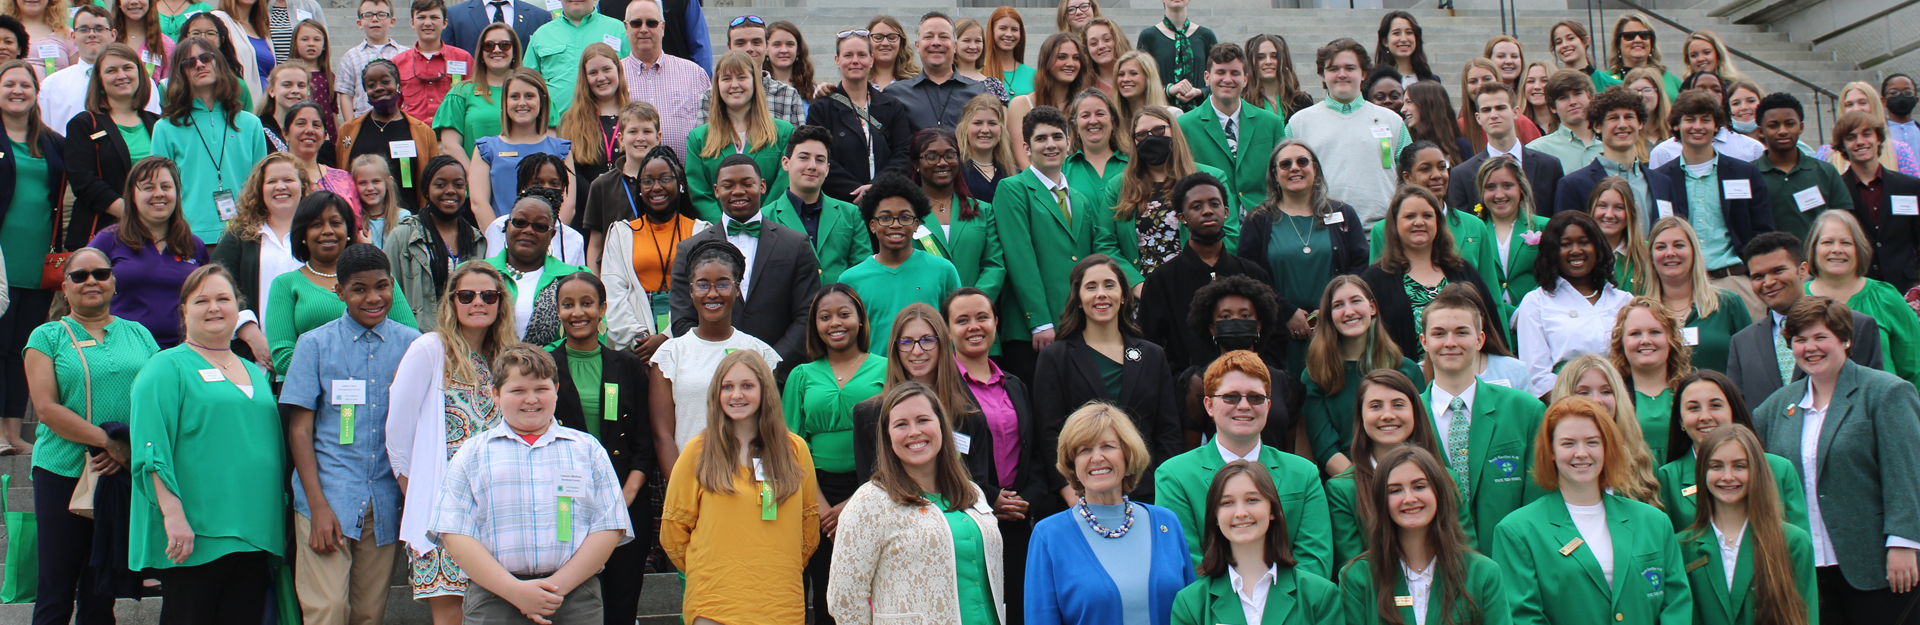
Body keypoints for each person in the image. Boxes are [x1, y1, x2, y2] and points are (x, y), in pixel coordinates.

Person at [129, 265, 286, 624]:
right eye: (202, 300)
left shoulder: (253, 370)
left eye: (223, 299)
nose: (214, 307)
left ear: (238, 308)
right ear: (184, 311)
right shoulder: (165, 367)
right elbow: (151, 451)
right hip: (197, 532)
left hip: (255, 531)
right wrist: (173, 515)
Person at [430, 344, 633, 624]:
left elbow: (609, 526)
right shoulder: (472, 453)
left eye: (541, 389)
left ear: (556, 389)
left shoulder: (588, 450)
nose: (531, 399)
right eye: (518, 391)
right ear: (496, 395)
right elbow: (454, 532)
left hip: (574, 596)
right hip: (494, 596)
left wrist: (553, 589)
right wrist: (516, 591)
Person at [1751, 296, 1920, 625]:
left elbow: (1908, 472)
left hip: (1878, 562)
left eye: (1820, 337)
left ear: (1845, 339)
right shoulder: (1773, 409)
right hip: (1807, 568)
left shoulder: (1886, 392)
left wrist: (1905, 542)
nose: (1810, 348)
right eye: (1800, 340)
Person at [279, 243, 415, 625]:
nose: (373, 297)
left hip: (384, 500)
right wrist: (318, 506)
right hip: (328, 497)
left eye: (382, 286)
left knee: (369, 614)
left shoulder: (412, 345)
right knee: (328, 610)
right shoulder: (315, 345)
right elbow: (301, 430)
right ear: (338, 292)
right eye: (359, 288)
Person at [24, 247, 157, 625]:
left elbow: (157, 398)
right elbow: (47, 409)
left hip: (121, 472)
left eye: (100, 273)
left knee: (102, 590)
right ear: (64, 287)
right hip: (62, 471)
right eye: (79, 276)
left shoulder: (139, 334)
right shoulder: (47, 336)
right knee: (56, 586)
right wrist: (108, 442)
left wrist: (130, 448)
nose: (91, 282)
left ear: (114, 282)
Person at [383, 261, 514, 625]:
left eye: (489, 295)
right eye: (467, 295)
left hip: (497, 512)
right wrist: (419, 493)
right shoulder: (430, 348)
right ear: (451, 302)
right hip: (444, 512)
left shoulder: (505, 358)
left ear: (501, 303)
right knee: (451, 617)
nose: (478, 302)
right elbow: (398, 431)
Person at [1491, 396, 1694, 624]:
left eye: (1592, 442)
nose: (1581, 453)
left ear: (1607, 448)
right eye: (1568, 443)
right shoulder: (1517, 531)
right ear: (1550, 452)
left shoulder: (1655, 522)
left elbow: (1676, 604)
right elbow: (1523, 617)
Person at [659, 349, 820, 623]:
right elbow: (673, 530)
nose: (736, 395)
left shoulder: (795, 450)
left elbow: (808, 526)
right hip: (714, 605)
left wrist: (773, 567)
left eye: (747, 386)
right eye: (727, 387)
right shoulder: (698, 451)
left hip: (780, 605)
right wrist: (709, 570)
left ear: (765, 390)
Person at [827, 381, 1006, 624]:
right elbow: (844, 599)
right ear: (888, 437)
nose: (914, 432)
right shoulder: (870, 501)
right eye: (901, 424)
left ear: (941, 426)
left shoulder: (972, 492)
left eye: (923, 420)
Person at [542, 272, 656, 625]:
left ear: (603, 308)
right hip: (563, 504)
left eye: (587, 303)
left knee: (620, 606)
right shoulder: (543, 366)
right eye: (568, 304)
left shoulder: (629, 366)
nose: (578, 312)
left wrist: (623, 497)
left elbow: (644, 439)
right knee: (569, 607)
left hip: (624, 501)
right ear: (558, 310)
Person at [1157, 350, 1332, 577]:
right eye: (1231, 397)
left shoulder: (1304, 473)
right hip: (1211, 609)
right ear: (1209, 406)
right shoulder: (1174, 476)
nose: (1244, 405)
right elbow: (1186, 561)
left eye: (1255, 397)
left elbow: (1315, 561)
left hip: (1293, 609)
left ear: (1268, 407)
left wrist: (1270, 605)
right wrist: (1244, 607)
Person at [993, 105, 1132, 381]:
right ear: (1027, 147)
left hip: (1077, 325)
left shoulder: (1079, 198)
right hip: (1033, 330)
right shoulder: (1013, 189)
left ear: (1069, 142)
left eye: (1057, 137)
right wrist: (1040, 322)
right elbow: (1020, 258)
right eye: (1041, 139)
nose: (1051, 145)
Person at [1025, 402, 1195, 625]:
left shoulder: (1167, 523)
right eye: (1084, 450)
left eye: (1107, 446)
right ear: (1072, 462)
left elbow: (1193, 611)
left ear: (1127, 454)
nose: (1096, 458)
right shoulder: (1049, 535)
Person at [1033, 255, 1180, 507]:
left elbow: (1168, 430)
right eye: (1091, 287)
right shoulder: (1055, 357)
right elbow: (1048, 433)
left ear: (1123, 295)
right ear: (1078, 298)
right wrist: (1070, 491)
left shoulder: (1152, 355)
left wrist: (1163, 489)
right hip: (1082, 492)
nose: (1101, 294)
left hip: (1147, 493)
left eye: (1109, 285)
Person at [781, 284, 885, 625]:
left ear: (859, 319)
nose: (834, 323)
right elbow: (791, 445)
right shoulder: (801, 375)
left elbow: (895, 439)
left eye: (844, 314)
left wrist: (857, 502)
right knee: (827, 589)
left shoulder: (886, 370)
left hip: (874, 489)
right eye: (825, 317)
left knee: (873, 586)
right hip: (816, 497)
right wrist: (822, 506)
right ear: (815, 326)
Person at [1419, 287, 1547, 548]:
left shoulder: (1526, 411)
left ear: (1480, 340)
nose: (1450, 342)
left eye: (1462, 332)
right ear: (1424, 342)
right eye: (1439, 333)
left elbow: (1540, 500)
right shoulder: (1409, 416)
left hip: (1510, 564)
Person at [945, 286, 1046, 613]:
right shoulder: (940, 389)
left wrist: (1025, 499)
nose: (974, 326)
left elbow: (1034, 454)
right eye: (962, 320)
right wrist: (988, 497)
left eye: (982, 317)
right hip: (965, 518)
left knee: (1018, 606)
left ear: (996, 323)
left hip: (1017, 518)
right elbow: (945, 461)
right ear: (948, 330)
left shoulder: (1015, 385)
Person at [666, 155, 816, 365]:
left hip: (779, 375)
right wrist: (718, 368)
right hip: (711, 375)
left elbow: (806, 315)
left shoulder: (796, 245)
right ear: (716, 190)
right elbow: (683, 320)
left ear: (762, 186)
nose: (738, 191)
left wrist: (769, 365)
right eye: (728, 185)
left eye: (747, 184)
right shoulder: (689, 249)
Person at [1339, 446, 1511, 625]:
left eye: (1419, 487)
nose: (1409, 499)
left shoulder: (1483, 573)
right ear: (1382, 501)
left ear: (1439, 494)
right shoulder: (1357, 577)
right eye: (1395, 490)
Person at [1231, 142, 1365, 367]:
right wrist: (1286, 312)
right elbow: (1249, 276)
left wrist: (1332, 310)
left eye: (1302, 162)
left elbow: (1360, 268)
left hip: (1338, 328)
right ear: (1274, 175)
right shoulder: (1258, 220)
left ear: (1315, 169)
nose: (1294, 168)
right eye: (1285, 164)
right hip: (1281, 335)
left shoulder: (1343, 214)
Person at [266, 192, 421, 377]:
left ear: (348, 231)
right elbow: (283, 359)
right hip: (313, 396)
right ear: (303, 234)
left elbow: (411, 343)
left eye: (336, 223)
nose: (328, 231)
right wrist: (350, 369)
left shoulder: (379, 280)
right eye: (316, 224)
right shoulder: (286, 284)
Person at [1676, 424, 1819, 625]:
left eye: (1739, 466)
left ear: (1757, 471)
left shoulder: (1794, 541)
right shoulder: (1681, 546)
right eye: (1716, 466)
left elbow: (1807, 615)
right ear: (1702, 473)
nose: (1727, 476)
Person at [653, 235, 783, 454]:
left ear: (737, 289)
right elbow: (662, 435)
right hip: (691, 479)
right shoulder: (670, 355)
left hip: (747, 478)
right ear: (691, 290)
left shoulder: (759, 352)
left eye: (723, 284)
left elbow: (769, 426)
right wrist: (681, 487)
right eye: (703, 285)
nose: (712, 294)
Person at [1171, 458, 1341, 624]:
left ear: (1272, 510)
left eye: (1252, 500)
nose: (1240, 513)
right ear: (1215, 516)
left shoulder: (1319, 594)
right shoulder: (1190, 603)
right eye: (1227, 502)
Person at [1652, 90, 1774, 320]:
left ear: (1716, 126)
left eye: (1706, 119)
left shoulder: (1744, 172)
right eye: (1690, 119)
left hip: (1736, 282)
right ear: (1676, 125)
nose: (1698, 126)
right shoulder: (1660, 179)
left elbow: (1763, 230)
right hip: (1683, 286)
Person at [1137, 172, 1269, 376]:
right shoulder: (1161, 281)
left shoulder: (1253, 274)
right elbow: (1149, 344)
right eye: (1196, 206)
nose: (1207, 211)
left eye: (1214, 204)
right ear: (1181, 217)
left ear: (1226, 211)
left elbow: (1273, 338)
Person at [1727, 231, 1883, 403]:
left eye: (1778, 271)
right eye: (1758, 277)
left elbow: (1871, 395)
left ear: (1802, 270)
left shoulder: (1855, 325)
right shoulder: (1742, 343)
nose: (1769, 282)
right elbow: (1739, 410)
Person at [1324, 367, 1452, 567]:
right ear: (1361, 415)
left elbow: (1464, 555)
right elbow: (1353, 569)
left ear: (1415, 411)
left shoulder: (1447, 479)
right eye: (1375, 406)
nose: (1387, 415)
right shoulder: (1343, 490)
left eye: (1398, 405)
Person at [1361, 186, 1506, 360]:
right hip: (1406, 382)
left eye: (1427, 216)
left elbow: (1491, 328)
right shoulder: (1375, 279)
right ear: (1395, 224)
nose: (1419, 222)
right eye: (1410, 216)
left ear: (1438, 222)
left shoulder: (1462, 270)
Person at [1654, 371, 1807, 532]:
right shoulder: (1667, 477)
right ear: (1680, 420)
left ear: (1733, 411)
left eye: (1715, 405)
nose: (1705, 416)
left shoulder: (1779, 469)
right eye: (1693, 408)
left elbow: (1800, 545)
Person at [1300, 276, 1424, 475]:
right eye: (1338, 305)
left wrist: (1393, 483)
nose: (1349, 312)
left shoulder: (1406, 370)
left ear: (1372, 307)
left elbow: (1420, 436)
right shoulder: (1316, 375)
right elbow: (1325, 450)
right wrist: (1367, 486)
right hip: (1348, 484)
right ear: (1329, 315)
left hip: (1404, 478)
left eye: (1356, 301)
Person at [152, 36, 270, 244]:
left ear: (218, 62)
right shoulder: (165, 128)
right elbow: (160, 188)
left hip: (246, 234)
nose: (199, 65)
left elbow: (261, 184)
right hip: (190, 236)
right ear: (180, 74)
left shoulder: (251, 124)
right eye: (189, 63)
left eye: (205, 57)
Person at [0, 58, 60, 453]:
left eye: (25, 85)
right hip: (1, 263)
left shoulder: (52, 143)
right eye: (9, 85)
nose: (18, 91)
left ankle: (12, 431)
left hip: (38, 266)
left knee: (24, 349)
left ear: (37, 93)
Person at [596, 138, 706, 349]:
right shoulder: (621, 233)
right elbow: (614, 291)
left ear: (680, 184)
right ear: (639, 188)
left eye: (665, 179)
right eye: (647, 181)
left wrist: (666, 337)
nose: (656, 187)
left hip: (687, 341)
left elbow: (702, 291)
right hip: (634, 346)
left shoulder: (700, 232)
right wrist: (638, 339)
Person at [86, 157, 207, 348]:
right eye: (149, 188)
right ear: (132, 195)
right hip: (122, 350)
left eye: (166, 187)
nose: (159, 194)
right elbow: (80, 287)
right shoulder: (108, 240)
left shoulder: (194, 245)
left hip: (183, 352)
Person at [1513, 210, 1634, 397]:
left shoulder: (1624, 301)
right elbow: (1537, 377)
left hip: (1622, 403)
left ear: (1598, 247)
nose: (1576, 250)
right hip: (1566, 409)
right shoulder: (1536, 302)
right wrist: (1581, 407)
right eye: (1565, 244)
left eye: (1584, 242)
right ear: (1552, 251)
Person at [1290, 38, 1409, 225]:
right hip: (1322, 230)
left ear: (1364, 74)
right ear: (1322, 74)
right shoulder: (1299, 123)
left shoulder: (1392, 120)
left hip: (1382, 231)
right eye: (1333, 69)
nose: (1342, 74)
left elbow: (1409, 174)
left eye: (1350, 68)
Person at [1375, 142, 1506, 312]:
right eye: (1425, 169)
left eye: (1442, 167)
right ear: (1407, 177)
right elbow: (1378, 294)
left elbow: (1492, 297)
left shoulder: (1475, 226)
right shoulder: (1384, 230)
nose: (1437, 175)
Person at [1800, 210, 1920, 388]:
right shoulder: (1796, 299)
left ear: (1859, 249)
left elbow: (1914, 368)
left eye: (1846, 242)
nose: (1837, 249)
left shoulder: (1886, 297)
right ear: (1813, 248)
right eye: (1827, 242)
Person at [841, 174, 962, 350]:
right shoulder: (850, 280)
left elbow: (957, 327)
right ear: (872, 225)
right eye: (885, 217)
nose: (895, 224)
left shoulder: (943, 270)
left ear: (916, 224)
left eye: (905, 217)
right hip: (876, 377)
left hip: (931, 375)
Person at [209, 152, 304, 370]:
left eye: (288, 180)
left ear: (303, 186)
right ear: (260, 189)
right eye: (272, 181)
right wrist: (250, 334)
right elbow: (216, 284)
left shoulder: (318, 235)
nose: (280, 186)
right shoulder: (239, 237)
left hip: (309, 357)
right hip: (252, 359)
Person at [1112, 110, 1234, 279]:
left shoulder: (1212, 178)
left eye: (1158, 130)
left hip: (1200, 284)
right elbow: (1106, 243)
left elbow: (1231, 235)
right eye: (1141, 134)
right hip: (1144, 292)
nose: (1151, 138)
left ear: (1174, 131)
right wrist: (1136, 285)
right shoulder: (1118, 186)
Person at [62, 44, 160, 250]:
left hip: (156, 233)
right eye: (111, 70)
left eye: (127, 67)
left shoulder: (160, 124)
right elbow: (83, 181)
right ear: (99, 81)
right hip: (101, 235)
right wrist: (132, 212)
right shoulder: (84, 124)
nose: (121, 75)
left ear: (140, 74)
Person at [685, 50, 794, 223]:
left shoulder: (783, 133)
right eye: (726, 79)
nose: (734, 84)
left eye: (742, 77)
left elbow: (783, 186)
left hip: (771, 231)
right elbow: (699, 193)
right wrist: (724, 226)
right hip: (719, 234)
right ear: (717, 85)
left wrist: (760, 222)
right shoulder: (698, 138)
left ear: (755, 82)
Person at [1176, 42, 1287, 210]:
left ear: (1245, 79)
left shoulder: (1271, 123)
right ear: (1207, 77)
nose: (1227, 79)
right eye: (1220, 72)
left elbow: (1281, 175)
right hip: (1212, 224)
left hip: (1264, 220)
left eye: (1235, 73)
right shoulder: (1184, 126)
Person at [805, 31, 912, 205]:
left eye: (861, 55)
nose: (855, 61)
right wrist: (857, 193)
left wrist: (877, 188)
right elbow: (819, 157)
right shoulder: (821, 108)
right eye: (848, 55)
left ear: (871, 59)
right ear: (837, 60)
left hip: (886, 202)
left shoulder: (892, 106)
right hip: (839, 204)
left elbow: (903, 154)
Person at [384, 155, 489, 332]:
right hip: (419, 336)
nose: (450, 191)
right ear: (426, 189)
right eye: (440, 185)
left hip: (466, 339)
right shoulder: (404, 236)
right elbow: (387, 291)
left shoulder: (476, 239)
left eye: (458, 185)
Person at [761, 125, 870, 283]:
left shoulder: (851, 213)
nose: (812, 166)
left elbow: (862, 271)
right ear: (786, 163)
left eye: (819, 160)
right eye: (804, 157)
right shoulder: (765, 217)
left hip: (840, 304)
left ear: (827, 169)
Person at [1643, 218, 1753, 373]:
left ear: (1694, 252)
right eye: (1661, 247)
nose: (1670, 253)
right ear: (1652, 257)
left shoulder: (1728, 303)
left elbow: (1753, 362)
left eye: (1679, 245)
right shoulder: (1641, 311)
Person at [1554, 85, 1682, 218]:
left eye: (1629, 117)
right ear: (1597, 126)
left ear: (1640, 124)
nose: (1622, 125)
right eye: (1613, 118)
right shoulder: (1574, 185)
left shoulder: (1662, 183)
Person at [910, 127, 1005, 302]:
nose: (942, 163)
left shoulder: (982, 210)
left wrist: (973, 302)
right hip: (923, 315)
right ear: (916, 164)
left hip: (974, 316)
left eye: (950, 155)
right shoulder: (905, 213)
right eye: (932, 157)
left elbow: (994, 266)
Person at [481, 191, 589, 344]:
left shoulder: (575, 279)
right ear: (506, 227)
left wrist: (536, 360)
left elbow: (591, 335)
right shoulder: (477, 274)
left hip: (553, 366)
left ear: (552, 235)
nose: (528, 230)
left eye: (540, 226)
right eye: (519, 222)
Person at [467, 67, 572, 224]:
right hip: (501, 241)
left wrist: (549, 238)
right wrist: (503, 241)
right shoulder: (486, 149)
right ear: (505, 102)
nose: (522, 103)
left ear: (542, 101)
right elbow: (479, 203)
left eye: (529, 96)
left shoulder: (561, 150)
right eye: (515, 96)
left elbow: (568, 205)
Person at [1831, 111, 1920, 294]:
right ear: (1843, 146)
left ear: (1878, 139)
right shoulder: (1836, 191)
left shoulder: (1910, 186)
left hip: (1907, 288)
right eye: (1851, 137)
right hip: (1858, 288)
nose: (1860, 142)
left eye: (1867, 134)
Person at [338, 58, 439, 213]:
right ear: (365, 91)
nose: (378, 88)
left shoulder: (423, 133)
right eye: (371, 85)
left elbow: (432, 182)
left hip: (409, 221)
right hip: (361, 223)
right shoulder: (348, 130)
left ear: (398, 84)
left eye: (385, 82)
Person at [1446, 83, 1564, 211]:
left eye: (1500, 108)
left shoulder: (1549, 166)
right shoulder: (1462, 175)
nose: (1493, 115)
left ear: (1515, 112)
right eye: (1486, 110)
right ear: (1478, 118)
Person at [38, 8, 160, 131]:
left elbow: (153, 129)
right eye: (84, 29)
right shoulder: (51, 85)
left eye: (99, 28)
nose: (91, 34)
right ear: (73, 36)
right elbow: (43, 134)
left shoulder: (140, 83)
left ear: (113, 35)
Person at [1753, 92, 1854, 241]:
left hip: (1817, 260)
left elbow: (1844, 222)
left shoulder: (1826, 172)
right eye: (1773, 126)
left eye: (1790, 124)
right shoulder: (1749, 175)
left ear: (1800, 127)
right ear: (1761, 131)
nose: (1783, 131)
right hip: (1770, 261)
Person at [1607, 295, 1694, 463]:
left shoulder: (1690, 391)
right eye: (1635, 334)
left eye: (1655, 332)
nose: (1645, 341)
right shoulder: (1610, 395)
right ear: (1621, 342)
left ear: (1670, 339)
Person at [556, 42, 631, 232]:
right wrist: (597, 196)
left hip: (630, 210)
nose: (601, 78)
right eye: (593, 73)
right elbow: (571, 171)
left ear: (618, 71)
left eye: (606, 69)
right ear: (585, 78)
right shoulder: (571, 120)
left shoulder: (635, 114)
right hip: (586, 215)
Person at [620, 0, 706, 164]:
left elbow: (711, 130)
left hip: (685, 179)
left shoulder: (694, 74)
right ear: (626, 27)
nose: (644, 29)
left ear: (663, 27)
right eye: (636, 23)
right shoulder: (614, 76)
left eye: (651, 23)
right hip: (627, 182)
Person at [432, 22, 519, 169]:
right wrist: (475, 178)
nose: (497, 50)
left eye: (505, 45)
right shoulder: (460, 93)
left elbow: (547, 139)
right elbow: (450, 145)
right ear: (481, 53)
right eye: (489, 45)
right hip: (474, 183)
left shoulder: (533, 92)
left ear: (515, 51)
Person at [694, 15, 804, 127]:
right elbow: (704, 142)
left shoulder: (788, 94)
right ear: (729, 48)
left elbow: (798, 143)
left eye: (756, 42)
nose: (749, 49)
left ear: (767, 47)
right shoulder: (711, 96)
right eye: (740, 43)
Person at [524, 0, 623, 119]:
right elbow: (527, 83)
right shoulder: (541, 35)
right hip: (555, 127)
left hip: (608, 126)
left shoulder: (618, 30)